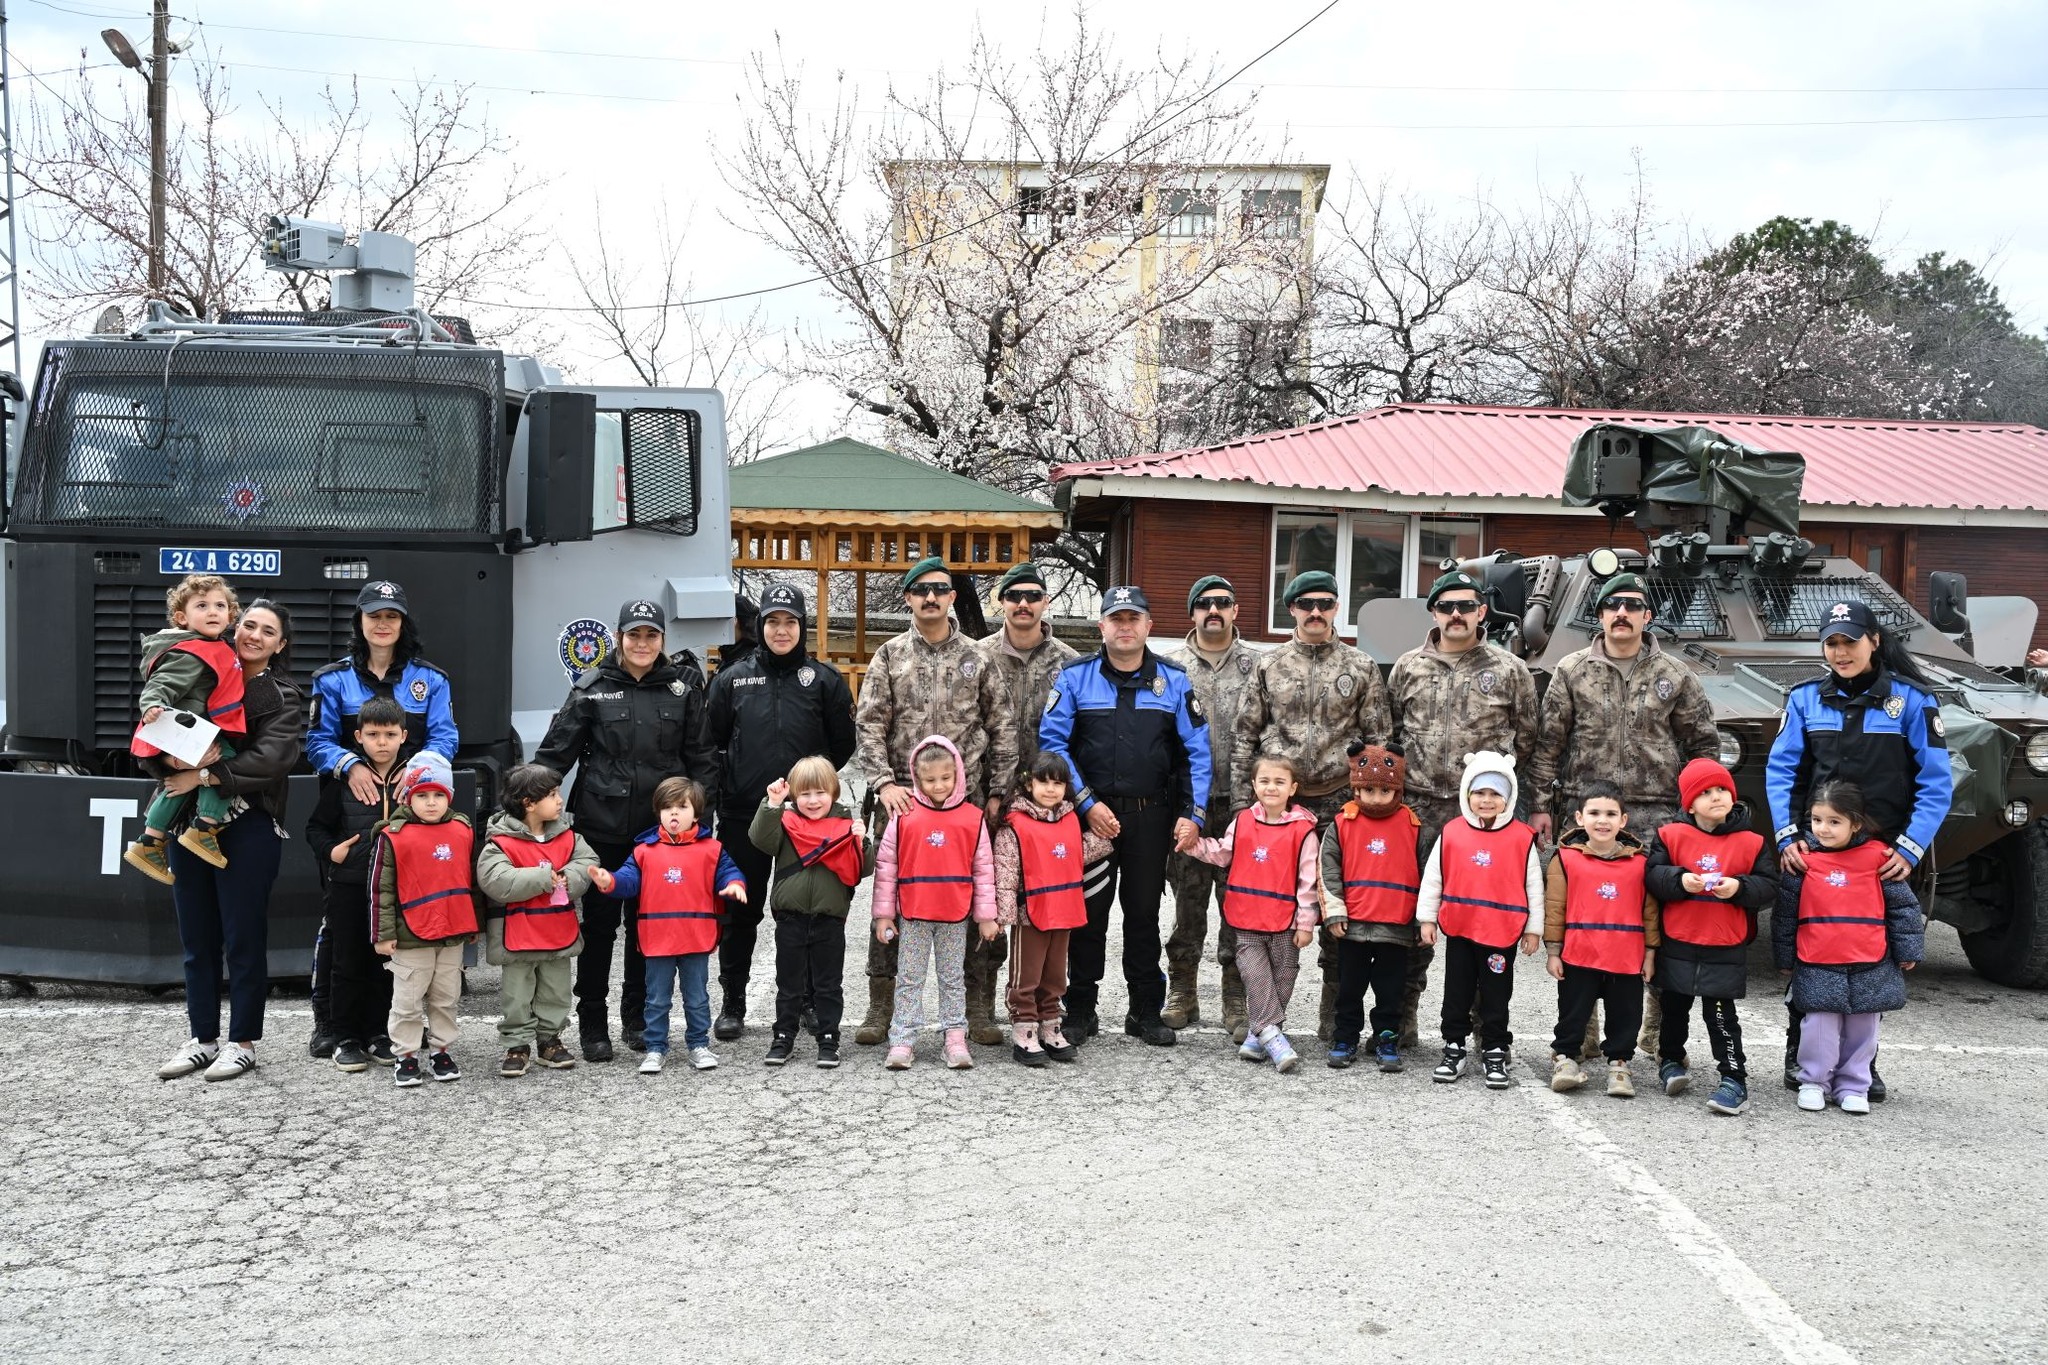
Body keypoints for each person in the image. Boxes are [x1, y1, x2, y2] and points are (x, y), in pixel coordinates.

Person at [1765, 598, 1950, 1100]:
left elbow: (1936, 782)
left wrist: (1909, 849)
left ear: (1875, 642)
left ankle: (1861, 1067)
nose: (1840, 652)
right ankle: (1799, 1051)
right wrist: (1787, 837)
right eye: (1832, 642)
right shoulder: (1804, 699)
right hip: (1816, 852)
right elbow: (1782, 772)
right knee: (1812, 952)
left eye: (1850, 641)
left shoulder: (1911, 702)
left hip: (1881, 857)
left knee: (1873, 962)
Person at [1526, 571, 1717, 1058]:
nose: (1622, 614)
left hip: (1656, 814)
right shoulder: (1571, 670)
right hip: (1583, 814)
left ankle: (1653, 1031)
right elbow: (1548, 745)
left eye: (1633, 606)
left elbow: (1703, 749)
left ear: (1647, 616)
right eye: (1614, 606)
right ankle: (1583, 1031)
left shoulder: (1676, 674)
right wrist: (1542, 808)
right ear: (1601, 615)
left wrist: (1694, 818)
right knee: (1580, 921)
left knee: (1654, 920)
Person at [534, 598, 717, 1062]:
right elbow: (555, 756)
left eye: (650, 635)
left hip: (661, 836)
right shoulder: (591, 690)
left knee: (646, 928)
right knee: (598, 928)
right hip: (602, 829)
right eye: (633, 635)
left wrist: (702, 823)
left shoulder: (682, 690)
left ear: (662, 641)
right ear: (619, 638)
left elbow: (702, 762)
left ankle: (637, 1018)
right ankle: (593, 1022)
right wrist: (528, 810)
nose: (642, 643)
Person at [851, 557, 1018, 1046]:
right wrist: (883, 784)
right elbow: (869, 724)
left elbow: (1001, 727)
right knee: (894, 899)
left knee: (973, 899)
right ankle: (882, 1005)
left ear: (951, 597)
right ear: (907, 597)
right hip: (903, 803)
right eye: (920, 589)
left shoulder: (978, 657)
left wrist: (997, 794)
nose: (930, 597)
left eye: (940, 589)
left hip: (967, 807)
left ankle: (977, 1006)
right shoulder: (889, 655)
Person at [1039, 586, 1209, 1047]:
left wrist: (1192, 813)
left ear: (1149, 625)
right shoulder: (1075, 678)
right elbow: (1052, 745)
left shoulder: (1173, 680)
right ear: (1103, 627)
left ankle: (1144, 1011)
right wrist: (1086, 804)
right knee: (1087, 917)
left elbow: (1196, 752)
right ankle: (1079, 1010)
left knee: (1143, 915)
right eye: (1116, 619)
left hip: (1149, 819)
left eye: (1134, 618)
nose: (1125, 626)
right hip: (1089, 820)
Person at [1231, 570, 1393, 1041]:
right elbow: (1246, 734)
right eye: (1307, 603)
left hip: (1343, 803)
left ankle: (1334, 1012)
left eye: (1325, 602)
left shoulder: (1361, 666)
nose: (1316, 611)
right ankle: (1258, 1011)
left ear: (1337, 607)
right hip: (1280, 808)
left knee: (1342, 908)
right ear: (1292, 609)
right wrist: (1248, 807)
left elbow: (1378, 739)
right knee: (1266, 907)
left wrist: (1369, 807)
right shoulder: (1268, 665)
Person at [152, 600, 306, 1084]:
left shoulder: (283, 695)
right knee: (197, 938)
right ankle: (202, 1039)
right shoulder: (199, 669)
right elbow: (154, 736)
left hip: (250, 825)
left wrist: (201, 774)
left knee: (243, 938)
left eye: (267, 631)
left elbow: (272, 760)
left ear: (280, 645)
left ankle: (242, 1044)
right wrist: (165, 763)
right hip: (187, 821)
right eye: (249, 625)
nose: (254, 635)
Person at [303, 579, 458, 1059]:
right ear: (360, 622)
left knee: (395, 931)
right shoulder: (332, 680)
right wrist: (349, 766)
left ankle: (383, 1029)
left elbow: (446, 739)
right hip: (350, 810)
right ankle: (331, 1024)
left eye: (392, 616)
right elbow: (315, 742)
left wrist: (416, 769)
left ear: (403, 623)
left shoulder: (430, 679)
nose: (383, 624)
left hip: (410, 817)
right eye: (374, 616)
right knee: (342, 930)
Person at [1386, 570, 1539, 1048]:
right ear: (1433, 612)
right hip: (1421, 809)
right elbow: (1392, 735)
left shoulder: (1510, 670)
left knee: (1484, 920)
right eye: (1446, 606)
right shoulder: (1407, 667)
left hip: (1488, 819)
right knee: (1415, 917)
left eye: (1466, 606)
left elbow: (1530, 743)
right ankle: (1404, 1016)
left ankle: (1482, 1025)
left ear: (1481, 612)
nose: (1456, 614)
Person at [701, 583, 856, 1041]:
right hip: (744, 814)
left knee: (805, 911)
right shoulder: (731, 678)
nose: (781, 630)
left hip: (808, 820)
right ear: (759, 626)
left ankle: (807, 1000)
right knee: (738, 910)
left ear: (802, 627)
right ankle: (733, 1002)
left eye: (790, 622)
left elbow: (841, 746)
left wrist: (811, 791)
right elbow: (712, 742)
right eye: (773, 622)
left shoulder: (824, 680)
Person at [969, 562, 1079, 1046]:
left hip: (1050, 803)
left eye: (1033, 595)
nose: (1023, 604)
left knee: (1048, 907)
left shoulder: (1070, 660)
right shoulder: (977, 656)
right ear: (1001, 602)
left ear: (1045, 603)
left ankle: (1046, 1007)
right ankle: (981, 1008)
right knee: (993, 899)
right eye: (1013, 595)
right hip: (990, 798)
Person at [1773, 780, 1925, 1116]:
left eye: (1834, 821)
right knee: (1818, 1026)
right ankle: (1814, 1081)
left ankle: (1855, 1084)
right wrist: (1784, 957)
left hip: (1870, 960)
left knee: (1864, 1027)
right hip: (1817, 959)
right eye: (1816, 820)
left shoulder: (1879, 859)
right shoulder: (1803, 860)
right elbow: (1785, 915)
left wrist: (1908, 949)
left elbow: (1903, 908)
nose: (1823, 829)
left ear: (1855, 823)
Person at [1645, 758, 1778, 1116]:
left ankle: (1734, 1078)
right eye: (1705, 792)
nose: (1716, 797)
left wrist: (1739, 887)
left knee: (1721, 1015)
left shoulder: (1751, 842)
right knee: (1674, 1008)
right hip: (1680, 940)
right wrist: (1679, 880)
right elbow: (1652, 876)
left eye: (1722, 789)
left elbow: (1769, 887)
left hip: (1725, 944)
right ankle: (1670, 1061)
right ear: (1689, 804)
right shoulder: (1670, 835)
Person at [1179, 754, 1322, 1074]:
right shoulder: (1242, 820)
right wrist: (1193, 845)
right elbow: (1222, 852)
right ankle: (1273, 1037)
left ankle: (1257, 1037)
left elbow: (1307, 881)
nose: (1272, 787)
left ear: (1292, 788)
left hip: (1284, 921)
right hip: (1246, 920)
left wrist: (1306, 923)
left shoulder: (1303, 831)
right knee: (1257, 978)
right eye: (1265, 781)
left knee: (1284, 976)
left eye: (1279, 782)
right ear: (1254, 785)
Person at [1162, 574, 1260, 1039]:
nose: (1214, 610)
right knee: (1188, 902)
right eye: (1204, 604)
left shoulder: (1259, 666)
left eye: (1223, 602)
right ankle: (1182, 988)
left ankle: (1236, 995)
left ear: (1236, 610)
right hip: (1188, 808)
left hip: (1243, 805)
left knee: (1238, 904)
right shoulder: (1170, 668)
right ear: (1193, 613)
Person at [601, 777, 747, 1077]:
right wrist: (610, 882)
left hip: (695, 937)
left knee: (697, 997)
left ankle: (698, 1044)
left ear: (697, 814)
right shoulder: (644, 851)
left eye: (682, 807)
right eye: (667, 808)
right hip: (658, 939)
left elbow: (729, 872)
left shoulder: (712, 849)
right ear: (658, 813)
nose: (674, 813)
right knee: (656, 999)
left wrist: (734, 884)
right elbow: (628, 881)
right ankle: (656, 1047)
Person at [1415, 752, 1542, 1090]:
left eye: (1495, 794)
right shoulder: (1452, 832)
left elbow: (1534, 887)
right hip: (1461, 929)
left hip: (1500, 933)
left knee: (1497, 994)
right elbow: (1434, 879)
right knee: (1456, 992)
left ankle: (1495, 1048)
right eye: (1480, 792)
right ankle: (1453, 1047)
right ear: (1467, 794)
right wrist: (1427, 918)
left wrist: (1533, 928)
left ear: (1508, 798)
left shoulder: (1522, 837)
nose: (1486, 800)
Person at [871, 736, 999, 1071]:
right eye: (929, 780)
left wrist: (986, 915)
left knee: (952, 976)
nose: (938, 785)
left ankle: (954, 1037)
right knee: (910, 977)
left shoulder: (973, 817)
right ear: (916, 778)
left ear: (958, 774)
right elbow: (887, 866)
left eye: (946, 777)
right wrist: (884, 914)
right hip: (914, 913)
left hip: (954, 915)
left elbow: (984, 869)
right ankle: (903, 1038)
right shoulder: (904, 814)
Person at [475, 763, 601, 1079]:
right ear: (529, 803)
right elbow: (495, 880)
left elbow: (588, 862)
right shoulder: (500, 841)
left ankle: (550, 1040)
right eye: (553, 795)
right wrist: (545, 877)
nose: (560, 801)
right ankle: (517, 1045)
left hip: (557, 930)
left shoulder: (568, 836)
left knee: (556, 991)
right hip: (517, 934)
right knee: (517, 994)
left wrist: (569, 878)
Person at [305, 696, 409, 1073]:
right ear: (358, 737)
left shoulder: (413, 782)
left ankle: (379, 1033)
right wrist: (332, 851)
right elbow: (314, 828)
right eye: (373, 734)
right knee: (346, 962)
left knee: (385, 962)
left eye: (390, 734)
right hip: (349, 887)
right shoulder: (343, 782)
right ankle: (345, 1036)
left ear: (403, 736)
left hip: (393, 892)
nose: (382, 742)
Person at [749, 757, 873, 1069]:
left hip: (829, 919)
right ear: (794, 796)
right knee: (789, 984)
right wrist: (772, 804)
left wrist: (862, 842)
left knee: (828, 984)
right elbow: (760, 839)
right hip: (791, 918)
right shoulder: (786, 823)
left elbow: (863, 869)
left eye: (820, 793)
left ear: (834, 792)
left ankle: (829, 1037)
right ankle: (783, 1035)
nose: (813, 800)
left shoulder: (846, 827)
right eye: (804, 794)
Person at [123, 574, 247, 882]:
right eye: (202, 605)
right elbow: (161, 684)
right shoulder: (194, 652)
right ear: (182, 617)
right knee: (225, 762)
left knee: (178, 784)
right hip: (189, 730)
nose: (213, 611)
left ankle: (150, 841)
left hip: (186, 732)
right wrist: (151, 706)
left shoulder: (209, 647)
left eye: (220, 605)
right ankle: (204, 828)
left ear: (231, 616)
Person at [993, 750, 1112, 1067]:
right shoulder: (1014, 825)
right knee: (1026, 976)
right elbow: (1005, 874)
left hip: (1063, 912)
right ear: (1028, 784)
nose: (1050, 789)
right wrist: (1001, 916)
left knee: (1056, 976)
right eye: (1043, 782)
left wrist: (1108, 836)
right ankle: (1024, 1028)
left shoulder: (1070, 818)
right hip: (1030, 914)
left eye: (1058, 784)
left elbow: (1075, 852)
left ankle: (1049, 1024)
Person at [369, 752, 481, 1088]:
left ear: (449, 797)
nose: (431, 803)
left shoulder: (462, 830)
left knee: (446, 996)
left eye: (438, 795)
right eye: (422, 795)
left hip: (452, 931)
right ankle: (405, 1055)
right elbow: (380, 890)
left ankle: (441, 1050)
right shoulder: (393, 835)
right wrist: (382, 934)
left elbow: (470, 881)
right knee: (407, 999)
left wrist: (471, 922)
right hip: (409, 934)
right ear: (408, 796)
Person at [1542, 782, 1658, 1099]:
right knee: (1573, 1012)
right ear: (1580, 818)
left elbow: (1649, 912)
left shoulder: (1640, 863)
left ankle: (1619, 1064)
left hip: (1625, 957)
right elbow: (1555, 909)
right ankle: (1565, 1058)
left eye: (1610, 814)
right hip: (1579, 955)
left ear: (1624, 820)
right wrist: (1553, 951)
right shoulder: (1564, 860)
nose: (1602, 820)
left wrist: (1650, 953)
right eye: (1594, 813)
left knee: (1626, 1015)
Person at [1322, 743, 1422, 1073]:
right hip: (1352, 927)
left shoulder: (1413, 826)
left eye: (1384, 790)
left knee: (1390, 992)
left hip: (1395, 927)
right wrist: (1335, 911)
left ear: (1397, 789)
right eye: (1368, 790)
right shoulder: (1342, 824)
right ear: (1356, 788)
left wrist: (1423, 921)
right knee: (1349, 988)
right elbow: (1328, 870)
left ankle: (1387, 1039)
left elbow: (1427, 876)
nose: (1376, 798)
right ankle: (1345, 1038)